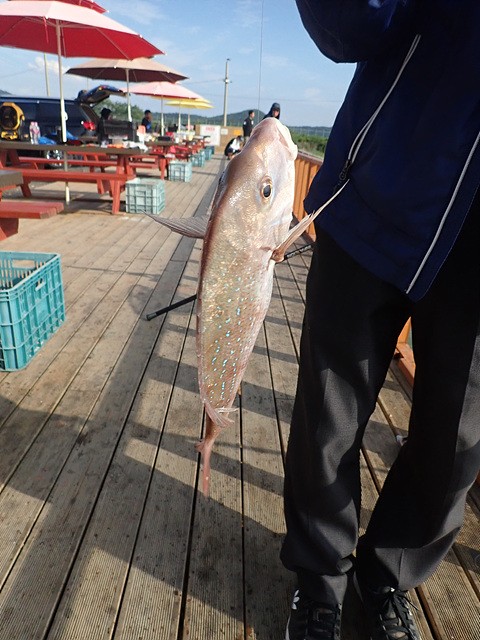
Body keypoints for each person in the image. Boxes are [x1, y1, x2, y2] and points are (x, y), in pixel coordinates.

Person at [282, 2, 480, 640]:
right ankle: (319, 582)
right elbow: (350, 28)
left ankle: (386, 573)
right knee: (329, 417)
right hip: (378, 192)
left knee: (458, 444)